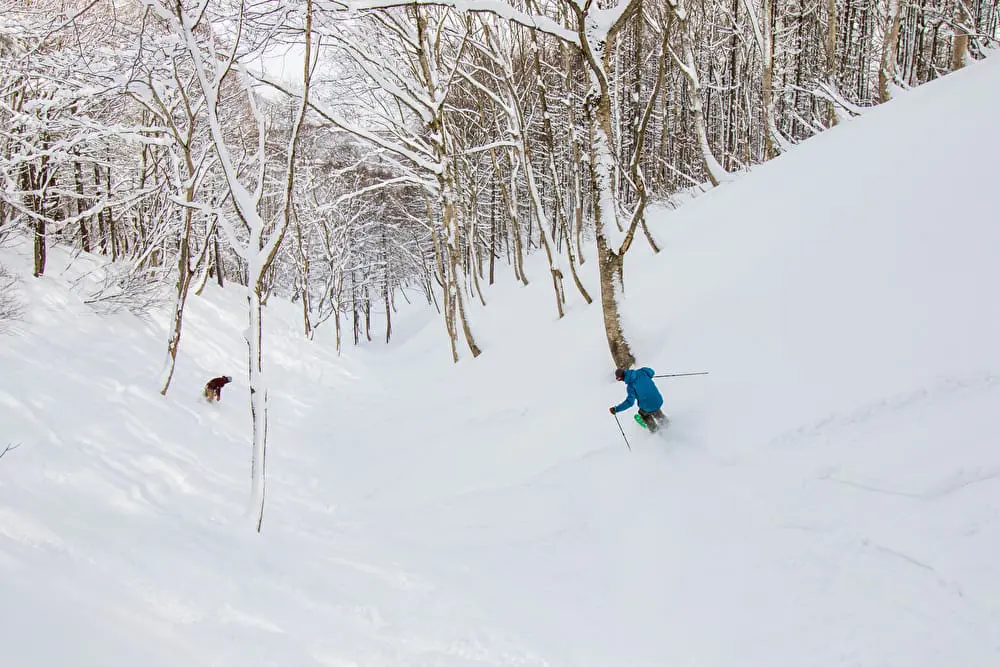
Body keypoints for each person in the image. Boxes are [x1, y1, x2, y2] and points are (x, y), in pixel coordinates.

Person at [609, 367, 668, 432]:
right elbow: (651, 372)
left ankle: (654, 429)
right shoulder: (641, 371)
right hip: (658, 399)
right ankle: (665, 423)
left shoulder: (631, 387)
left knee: (643, 412)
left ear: (621, 378)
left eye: (619, 379)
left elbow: (629, 402)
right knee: (654, 407)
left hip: (648, 406)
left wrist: (616, 409)